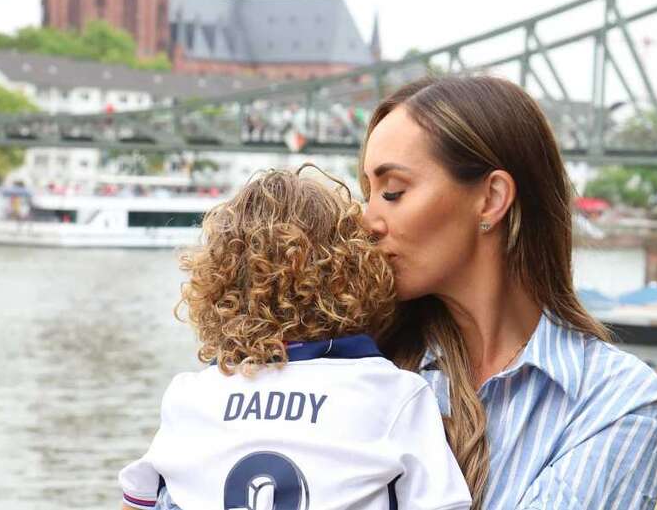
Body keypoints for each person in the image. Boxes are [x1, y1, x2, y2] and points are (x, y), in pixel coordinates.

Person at [359, 76, 657, 509]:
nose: (366, 221)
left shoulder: (615, 402)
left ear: (491, 199)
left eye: (393, 192)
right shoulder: (357, 367)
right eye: (367, 194)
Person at [119, 168, 472, 510]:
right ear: (353, 273)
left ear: (217, 286)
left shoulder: (189, 397)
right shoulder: (396, 395)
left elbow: (137, 499)